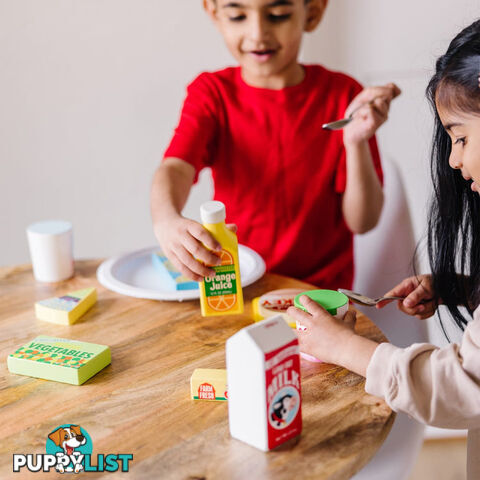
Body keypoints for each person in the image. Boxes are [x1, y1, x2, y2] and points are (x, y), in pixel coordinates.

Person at [288, 19, 480, 479]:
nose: (453, 160)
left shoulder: (338, 92)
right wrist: (458, 288)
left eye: (461, 138)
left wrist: (344, 348)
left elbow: (462, 387)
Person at [150, 0, 400, 289]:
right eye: (237, 16)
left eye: (277, 15)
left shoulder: (344, 96)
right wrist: (167, 220)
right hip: (239, 285)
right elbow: (176, 167)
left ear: (313, 13)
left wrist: (355, 142)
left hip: (320, 295)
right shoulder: (211, 94)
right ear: (214, 13)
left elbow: (363, 221)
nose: (258, 33)